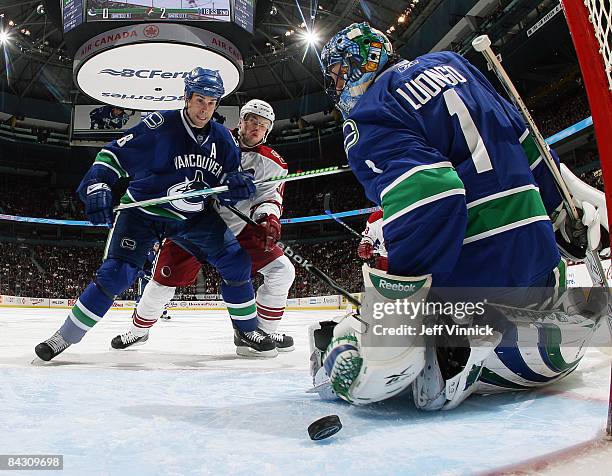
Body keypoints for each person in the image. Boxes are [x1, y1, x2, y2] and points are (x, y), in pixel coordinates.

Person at [309, 22, 607, 408]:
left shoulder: (370, 112)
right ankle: (479, 347)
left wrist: (396, 307)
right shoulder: (455, 64)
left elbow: (432, 195)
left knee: (347, 339)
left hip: (476, 287)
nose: (337, 88)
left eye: (337, 75)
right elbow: (525, 141)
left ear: (359, 62)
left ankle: (448, 349)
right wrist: (561, 208)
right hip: (543, 275)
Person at [34, 67, 276, 361]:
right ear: (186, 97)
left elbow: (228, 178)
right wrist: (98, 184)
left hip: (192, 216)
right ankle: (64, 337)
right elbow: (112, 155)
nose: (206, 109)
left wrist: (234, 184)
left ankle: (246, 329)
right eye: (200, 100)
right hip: (144, 212)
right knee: (117, 275)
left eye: (212, 103)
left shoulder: (223, 138)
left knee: (236, 261)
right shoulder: (160, 126)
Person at [110, 99, 296, 357]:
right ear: (240, 120)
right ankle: (139, 330)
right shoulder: (213, 140)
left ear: (268, 130)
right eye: (252, 120)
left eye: (262, 125)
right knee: (161, 282)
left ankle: (261, 330)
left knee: (282, 271)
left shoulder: (274, 164)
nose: (256, 127)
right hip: (194, 223)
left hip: (240, 228)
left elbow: (269, 198)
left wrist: (268, 220)